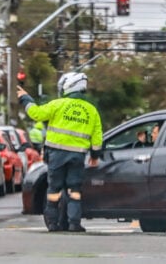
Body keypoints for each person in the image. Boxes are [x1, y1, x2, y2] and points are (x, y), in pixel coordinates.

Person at [17, 72, 103, 232]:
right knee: (74, 191)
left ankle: (53, 224)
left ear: (68, 86)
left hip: (56, 155)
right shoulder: (91, 110)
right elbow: (97, 137)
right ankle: (74, 224)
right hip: (77, 156)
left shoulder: (58, 104)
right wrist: (95, 155)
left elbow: (36, 114)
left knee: (54, 190)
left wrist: (26, 99)